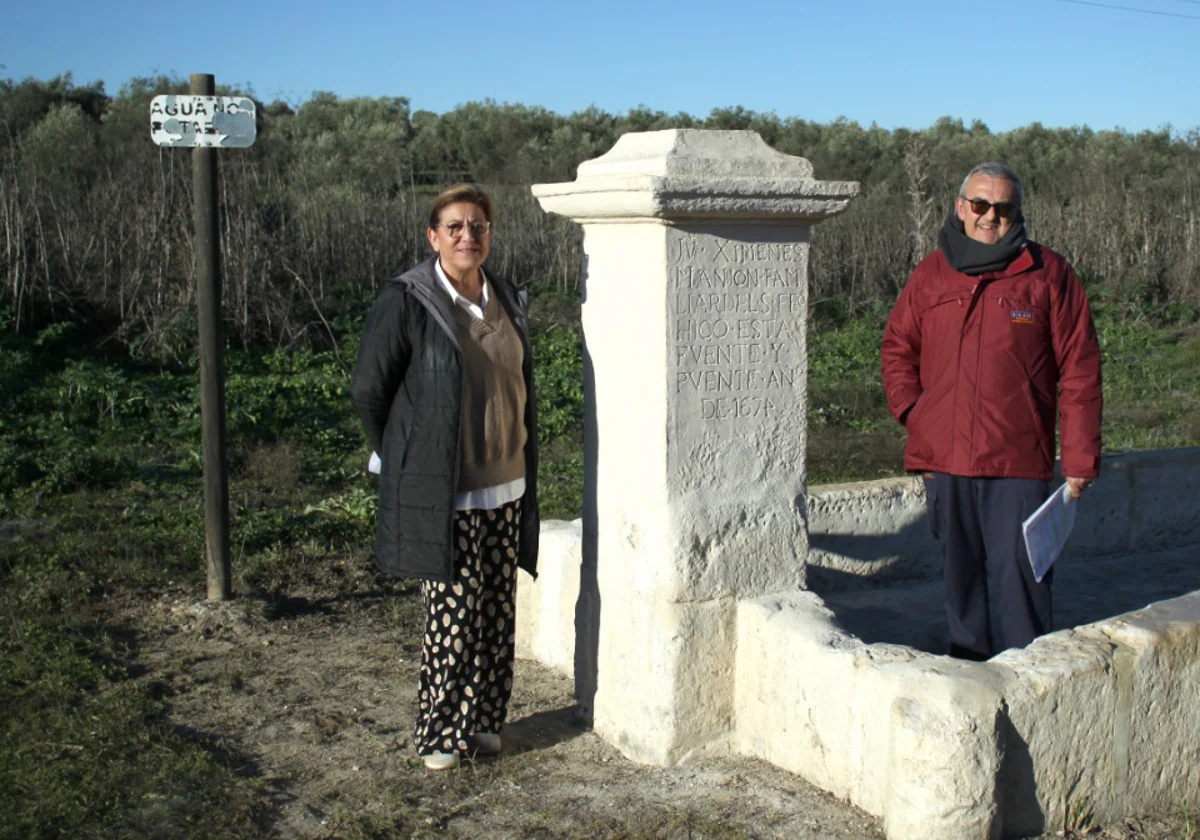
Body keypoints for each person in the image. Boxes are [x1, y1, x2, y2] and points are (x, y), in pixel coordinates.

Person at [350, 183, 539, 770]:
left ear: (489, 234)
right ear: (434, 236)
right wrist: (405, 457)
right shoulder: (408, 299)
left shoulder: (504, 295)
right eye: (454, 226)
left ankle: (483, 722)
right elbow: (369, 389)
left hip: (506, 482)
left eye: (477, 226)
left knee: (495, 609)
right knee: (453, 614)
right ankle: (438, 732)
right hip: (448, 489)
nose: (467, 236)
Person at [881, 162, 1102, 660]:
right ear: (961, 207)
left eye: (1002, 208)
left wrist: (1081, 458)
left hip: (1017, 461)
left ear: (1016, 212)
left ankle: (1034, 680)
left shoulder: (1049, 274)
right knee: (960, 584)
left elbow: (1080, 368)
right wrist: (915, 413)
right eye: (979, 205)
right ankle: (969, 675)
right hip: (945, 459)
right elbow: (897, 347)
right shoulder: (932, 273)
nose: (990, 216)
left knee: (1023, 581)